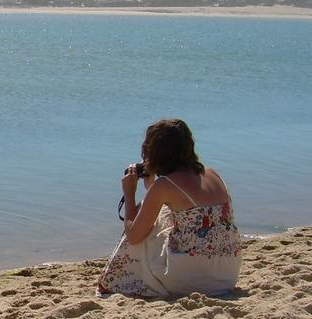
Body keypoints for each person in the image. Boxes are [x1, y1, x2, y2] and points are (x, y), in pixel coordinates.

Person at [97, 119, 241, 297]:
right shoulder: (212, 174)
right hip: (227, 274)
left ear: (155, 151)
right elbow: (184, 206)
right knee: (161, 216)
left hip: (194, 279)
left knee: (142, 221)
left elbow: (133, 235)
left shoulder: (164, 186)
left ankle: (112, 281)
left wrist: (129, 194)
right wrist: (152, 187)